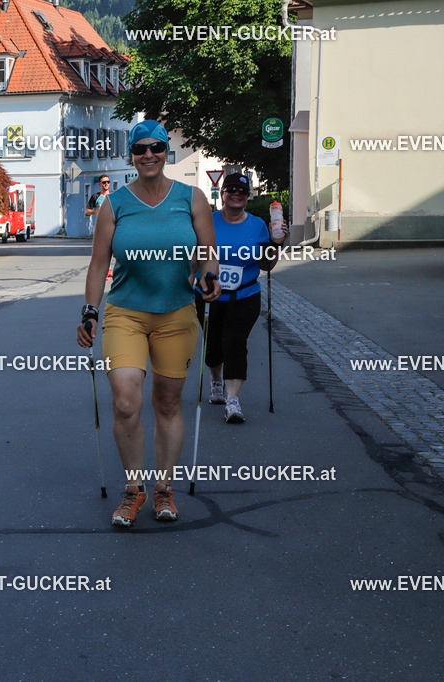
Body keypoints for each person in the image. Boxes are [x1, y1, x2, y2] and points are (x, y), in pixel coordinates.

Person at [76, 120, 221, 528]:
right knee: (125, 401)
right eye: (140, 149)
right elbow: (99, 263)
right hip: (126, 313)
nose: (149, 155)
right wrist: (90, 310)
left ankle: (165, 490)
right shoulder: (115, 204)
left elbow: (209, 253)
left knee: (168, 403)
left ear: (166, 152)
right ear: (132, 156)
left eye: (156, 147)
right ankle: (133, 490)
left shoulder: (191, 198)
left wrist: (210, 276)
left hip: (177, 313)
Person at [197, 172, 285, 423]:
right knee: (213, 346)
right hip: (208, 295)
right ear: (223, 194)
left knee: (235, 342)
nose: (236, 194)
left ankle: (233, 400)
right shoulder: (207, 221)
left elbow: (267, 265)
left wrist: (277, 243)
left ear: (248, 196)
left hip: (244, 295)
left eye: (242, 191)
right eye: (231, 189)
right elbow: (194, 255)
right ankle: (216, 380)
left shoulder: (257, 225)